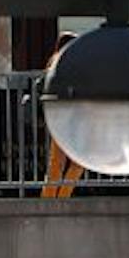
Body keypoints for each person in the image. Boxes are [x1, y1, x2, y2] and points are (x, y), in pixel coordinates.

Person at [42, 31, 85, 198]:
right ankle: (61, 196)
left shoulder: (53, 63)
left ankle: (50, 197)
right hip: (72, 117)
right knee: (77, 162)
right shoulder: (68, 63)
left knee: (57, 162)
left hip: (58, 117)